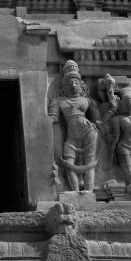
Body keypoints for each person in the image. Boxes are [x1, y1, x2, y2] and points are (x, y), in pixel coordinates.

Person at [49, 60, 100, 192]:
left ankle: (88, 192)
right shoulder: (58, 101)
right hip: (71, 137)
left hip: (89, 133)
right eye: (69, 82)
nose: (73, 84)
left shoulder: (88, 101)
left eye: (76, 82)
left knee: (90, 164)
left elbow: (99, 121)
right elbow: (52, 118)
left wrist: (111, 106)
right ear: (63, 87)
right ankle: (76, 192)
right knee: (68, 164)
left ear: (81, 85)